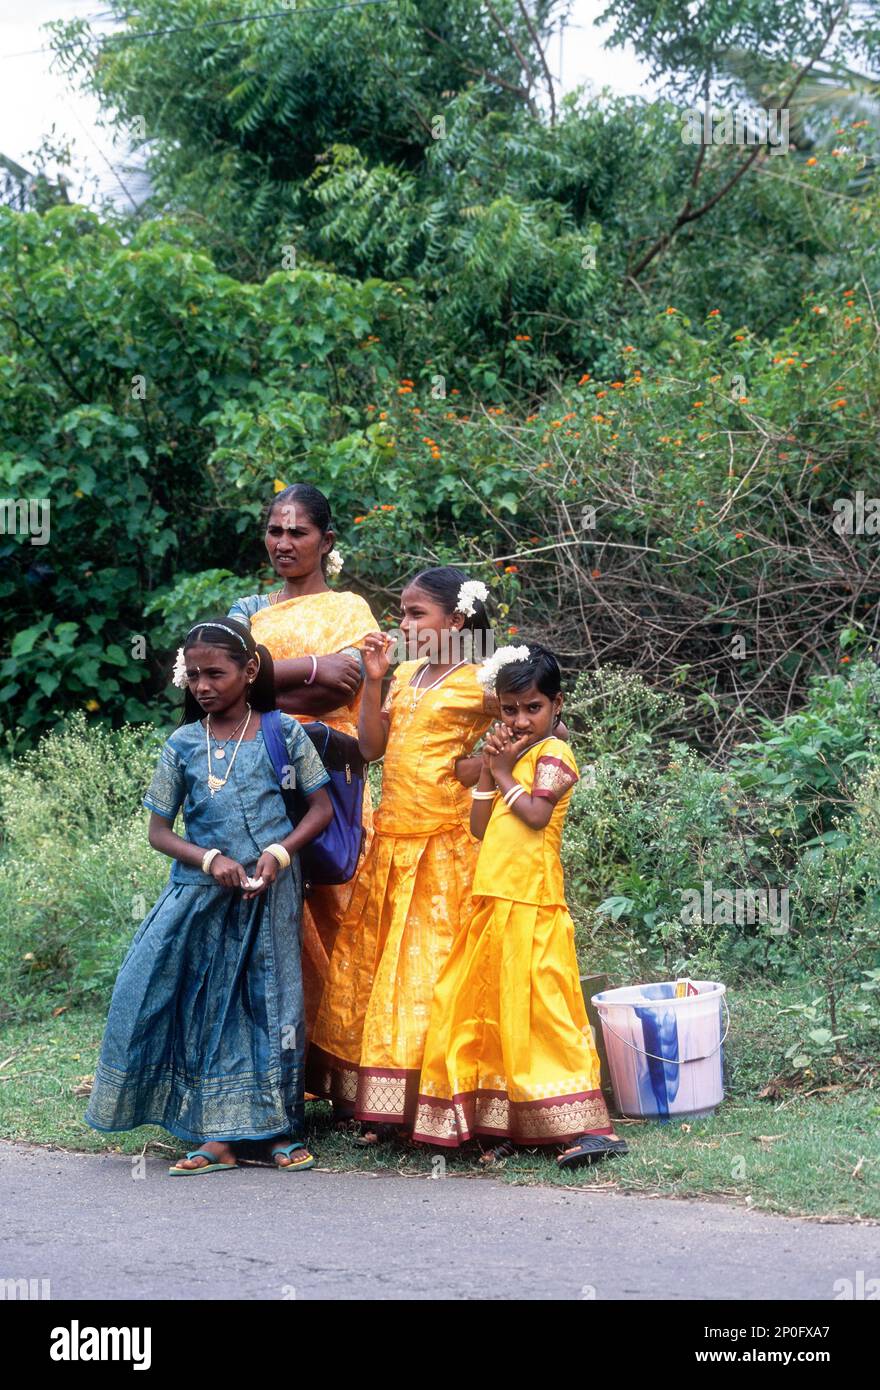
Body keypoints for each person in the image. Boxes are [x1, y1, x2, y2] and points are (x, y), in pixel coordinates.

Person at [85, 618, 333, 1174]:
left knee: (272, 1005)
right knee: (202, 1006)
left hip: (269, 894)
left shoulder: (283, 732)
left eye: (215, 674)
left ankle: (278, 1133)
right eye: (193, 675)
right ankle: (216, 1136)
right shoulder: (181, 744)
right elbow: (159, 832)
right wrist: (209, 859)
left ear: (248, 672)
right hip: (200, 895)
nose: (202, 686)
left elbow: (321, 810)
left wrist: (279, 855)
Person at [412, 643, 629, 1168]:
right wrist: (489, 768)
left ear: (556, 705)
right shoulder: (510, 755)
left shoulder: (555, 754)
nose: (521, 718)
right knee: (493, 1013)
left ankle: (591, 1127)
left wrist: (505, 771)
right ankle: (513, 1122)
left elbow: (534, 816)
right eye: (510, 709)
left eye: (533, 708)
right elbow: (480, 827)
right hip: (493, 900)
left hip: (534, 902)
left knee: (545, 1010)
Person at [306, 567, 497, 1138]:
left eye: (417, 614)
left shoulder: (483, 680)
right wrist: (373, 680)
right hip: (391, 844)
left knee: (430, 972)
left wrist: (486, 763)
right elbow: (370, 747)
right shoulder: (408, 675)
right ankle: (382, 1103)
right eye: (404, 612)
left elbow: (539, 720)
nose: (404, 623)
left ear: (456, 621)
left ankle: (442, 1097)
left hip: (445, 850)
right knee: (380, 970)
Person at [228, 483, 377, 1035]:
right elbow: (217, 685)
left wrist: (257, 685)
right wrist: (313, 665)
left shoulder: (349, 609)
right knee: (270, 915)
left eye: (298, 531)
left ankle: (348, 1066)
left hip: (330, 782)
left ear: (325, 539)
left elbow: (339, 690)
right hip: (259, 779)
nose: (284, 542)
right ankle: (284, 1070)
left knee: (342, 913)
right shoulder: (247, 611)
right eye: (275, 530)